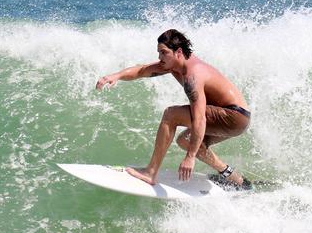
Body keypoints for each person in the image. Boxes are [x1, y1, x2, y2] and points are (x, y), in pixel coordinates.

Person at [95, 29, 251, 190]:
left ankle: (150, 172)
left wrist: (190, 157)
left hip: (233, 116)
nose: (159, 58)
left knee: (171, 115)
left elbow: (200, 119)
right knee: (185, 141)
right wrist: (115, 76)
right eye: (158, 53)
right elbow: (142, 70)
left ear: (178, 52)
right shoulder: (173, 65)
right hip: (239, 119)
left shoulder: (193, 75)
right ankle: (233, 177)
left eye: (163, 53)